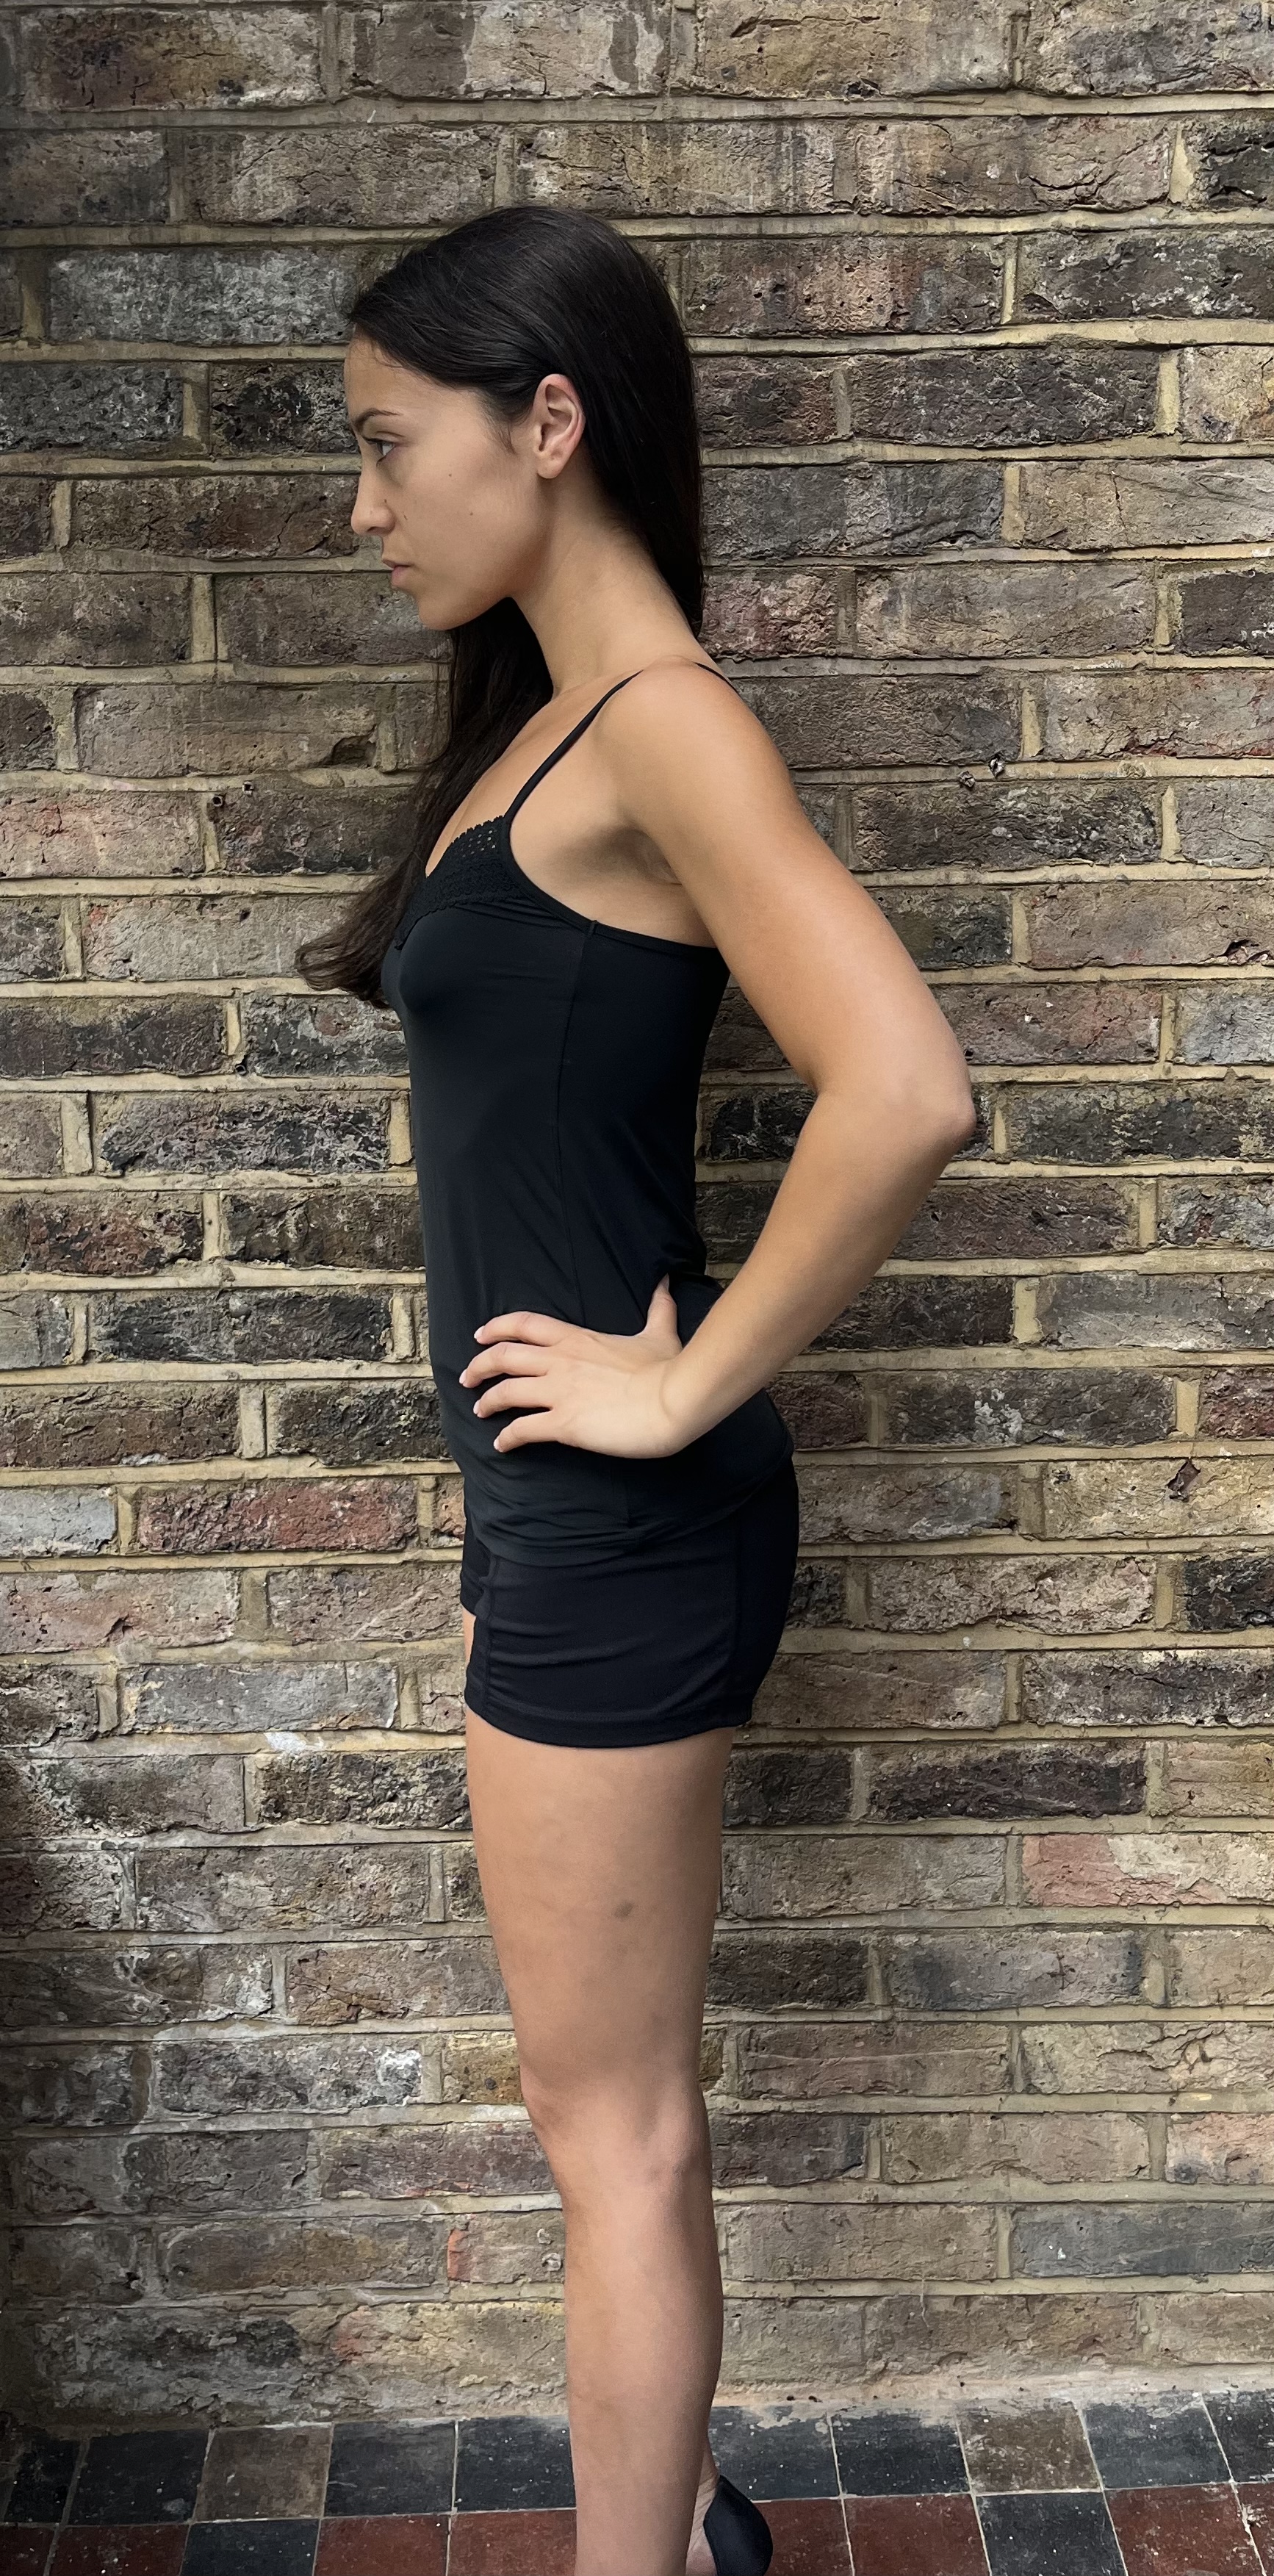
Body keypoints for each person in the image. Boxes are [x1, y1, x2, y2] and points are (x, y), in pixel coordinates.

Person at [296, 205, 976, 2576]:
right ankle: (683, 2522)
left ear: (550, 423)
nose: (364, 507)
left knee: (615, 2131)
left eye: (390, 446)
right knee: (606, 2112)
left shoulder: (665, 722)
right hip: (567, 1527)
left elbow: (905, 1088)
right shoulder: (549, 726)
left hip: (619, 1528)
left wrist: (679, 1393)